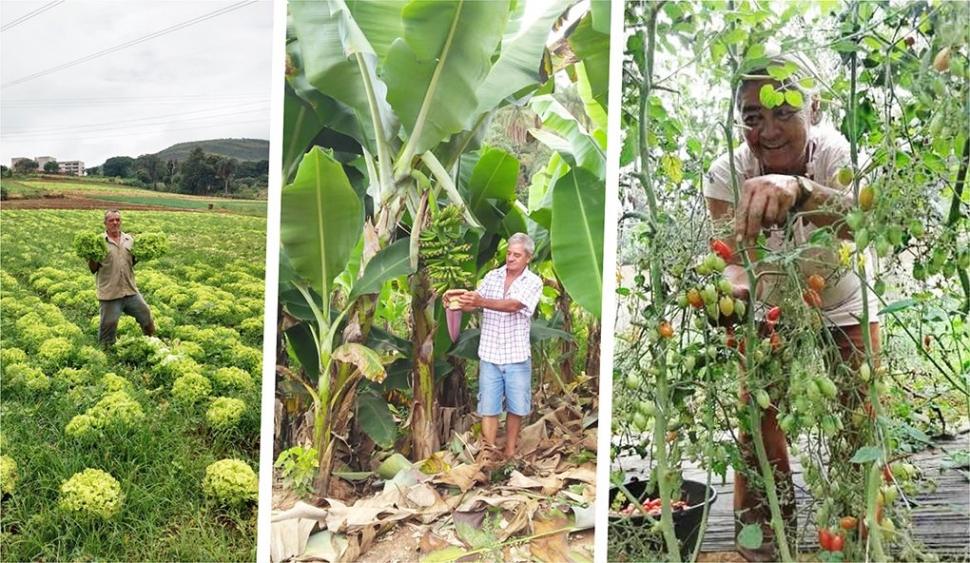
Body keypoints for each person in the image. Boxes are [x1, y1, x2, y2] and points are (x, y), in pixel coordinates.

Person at [703, 52, 880, 561]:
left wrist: (801, 191)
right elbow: (733, 260)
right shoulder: (727, 174)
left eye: (784, 112)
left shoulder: (836, 156)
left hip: (843, 304)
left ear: (815, 109)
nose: (769, 130)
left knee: (858, 421)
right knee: (758, 425)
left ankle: (860, 542)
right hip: (773, 311)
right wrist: (731, 292)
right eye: (753, 117)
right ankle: (763, 546)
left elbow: (861, 226)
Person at [444, 232, 543, 460]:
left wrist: (482, 302)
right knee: (488, 407)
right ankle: (488, 452)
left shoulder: (533, 282)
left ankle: (509, 450)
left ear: (528, 258)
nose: (510, 258)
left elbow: (514, 305)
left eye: (516, 255)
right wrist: (456, 303)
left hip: (516, 355)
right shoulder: (493, 276)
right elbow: (475, 303)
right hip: (489, 353)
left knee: (516, 407)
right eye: (508, 253)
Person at [87, 209, 155, 347]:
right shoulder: (98, 242)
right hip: (110, 293)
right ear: (105, 223)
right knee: (108, 327)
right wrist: (92, 256)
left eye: (117, 220)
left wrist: (145, 253)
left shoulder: (129, 239)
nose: (115, 223)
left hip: (130, 291)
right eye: (111, 220)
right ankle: (106, 352)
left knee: (146, 316)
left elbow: (133, 261)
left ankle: (151, 341)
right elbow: (93, 269)